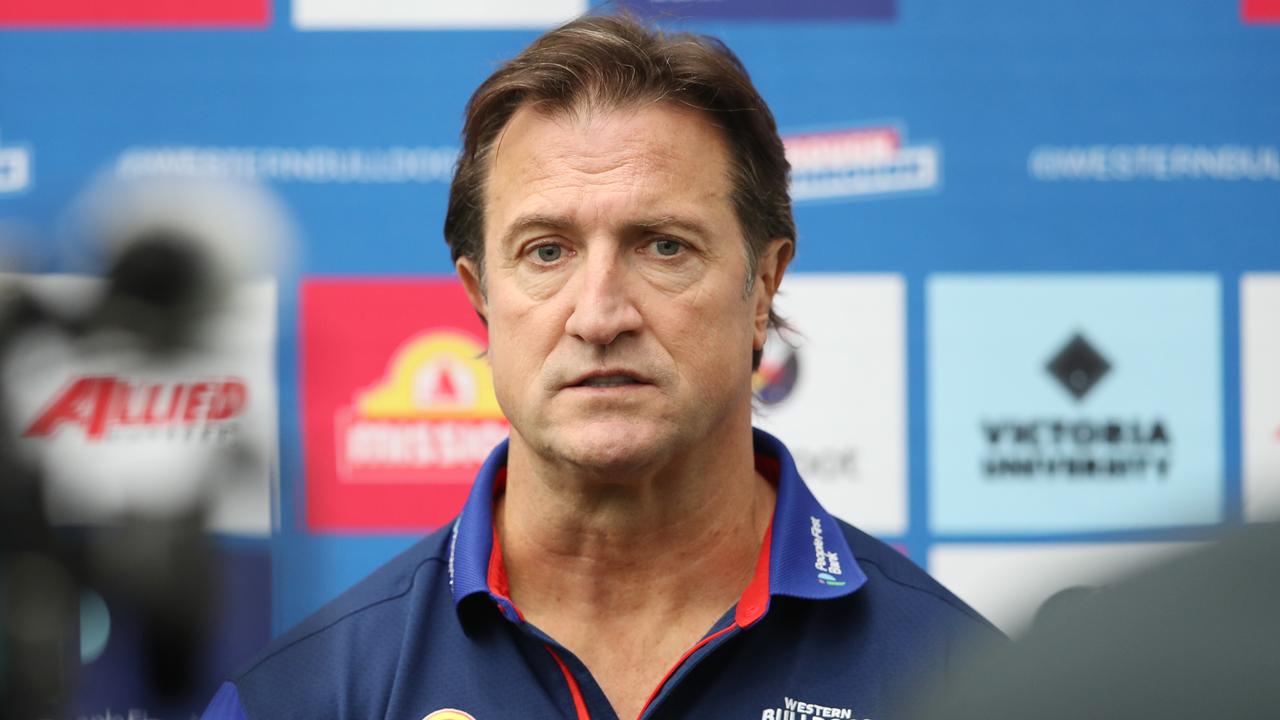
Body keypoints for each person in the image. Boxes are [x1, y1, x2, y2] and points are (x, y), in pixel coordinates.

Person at [202, 13, 1000, 720]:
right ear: (481, 297)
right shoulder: (305, 697)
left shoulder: (968, 681)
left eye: (664, 247)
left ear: (762, 286)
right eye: (546, 252)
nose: (599, 315)